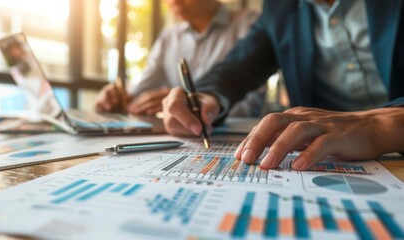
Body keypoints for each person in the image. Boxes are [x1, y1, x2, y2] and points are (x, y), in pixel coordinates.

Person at [162, 0, 404, 170]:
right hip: (332, 160)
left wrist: (381, 126)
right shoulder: (279, 7)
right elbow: (239, 66)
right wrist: (205, 97)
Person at [95, 0, 261, 116]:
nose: (174, 1)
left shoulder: (250, 25)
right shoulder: (168, 37)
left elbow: (251, 106)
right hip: (180, 138)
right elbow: (140, 91)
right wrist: (118, 99)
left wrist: (193, 104)